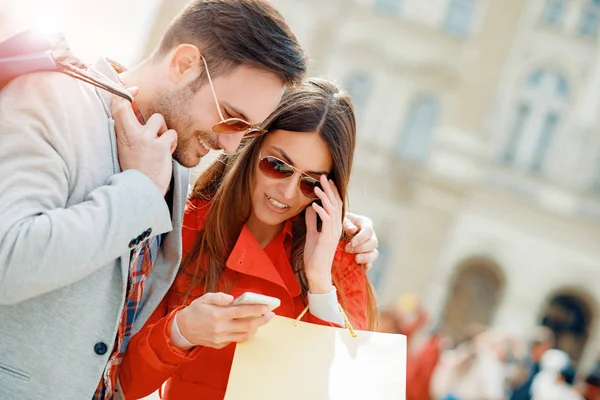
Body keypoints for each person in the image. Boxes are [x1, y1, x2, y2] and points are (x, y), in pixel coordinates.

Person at [0, 1, 379, 399]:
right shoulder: (52, 99)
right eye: (231, 117)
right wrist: (140, 192)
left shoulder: (175, 162)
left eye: (245, 131)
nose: (231, 146)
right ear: (184, 64)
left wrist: (328, 262)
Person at [117, 78, 378, 400]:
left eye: (310, 183)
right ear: (250, 145)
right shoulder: (184, 227)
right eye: (277, 165)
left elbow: (346, 386)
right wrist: (182, 330)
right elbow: (120, 384)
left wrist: (320, 281)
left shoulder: (341, 254)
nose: (287, 192)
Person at [509, 326, 555, 400]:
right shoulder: (528, 365)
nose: (534, 350)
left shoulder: (550, 371)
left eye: (538, 347)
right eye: (533, 346)